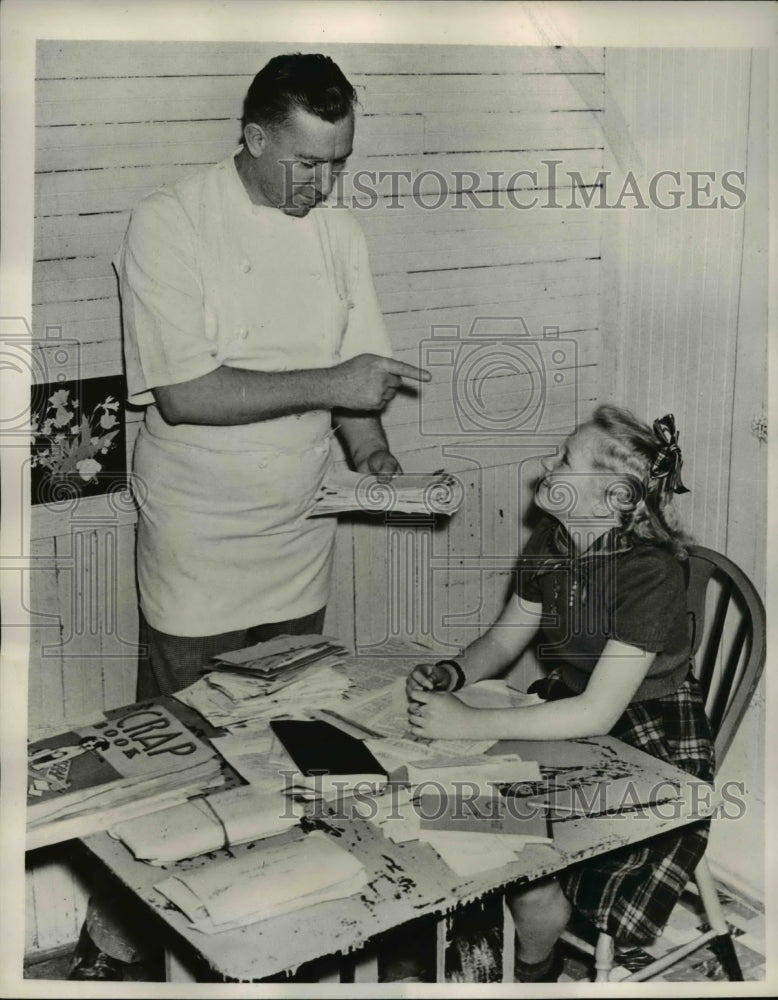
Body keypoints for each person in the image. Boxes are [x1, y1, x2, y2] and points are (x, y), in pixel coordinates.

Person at [68, 52, 429, 981]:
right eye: (307, 163)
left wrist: (376, 457)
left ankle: (268, 936)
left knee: (288, 737)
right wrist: (335, 383)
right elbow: (184, 394)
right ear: (256, 137)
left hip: (298, 531)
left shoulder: (338, 232)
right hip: (200, 535)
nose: (325, 182)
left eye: (340, 162)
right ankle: (117, 950)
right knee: (181, 749)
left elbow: (356, 380)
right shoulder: (170, 223)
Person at [406, 405, 714, 983]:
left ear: (613, 499)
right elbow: (502, 639)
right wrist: (453, 674)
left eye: (565, 460)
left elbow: (600, 713)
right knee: (464, 802)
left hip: (648, 727)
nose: (546, 466)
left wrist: (467, 722)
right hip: (564, 702)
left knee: (525, 841)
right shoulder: (553, 539)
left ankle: (532, 962)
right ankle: (510, 917)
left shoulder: (648, 572)